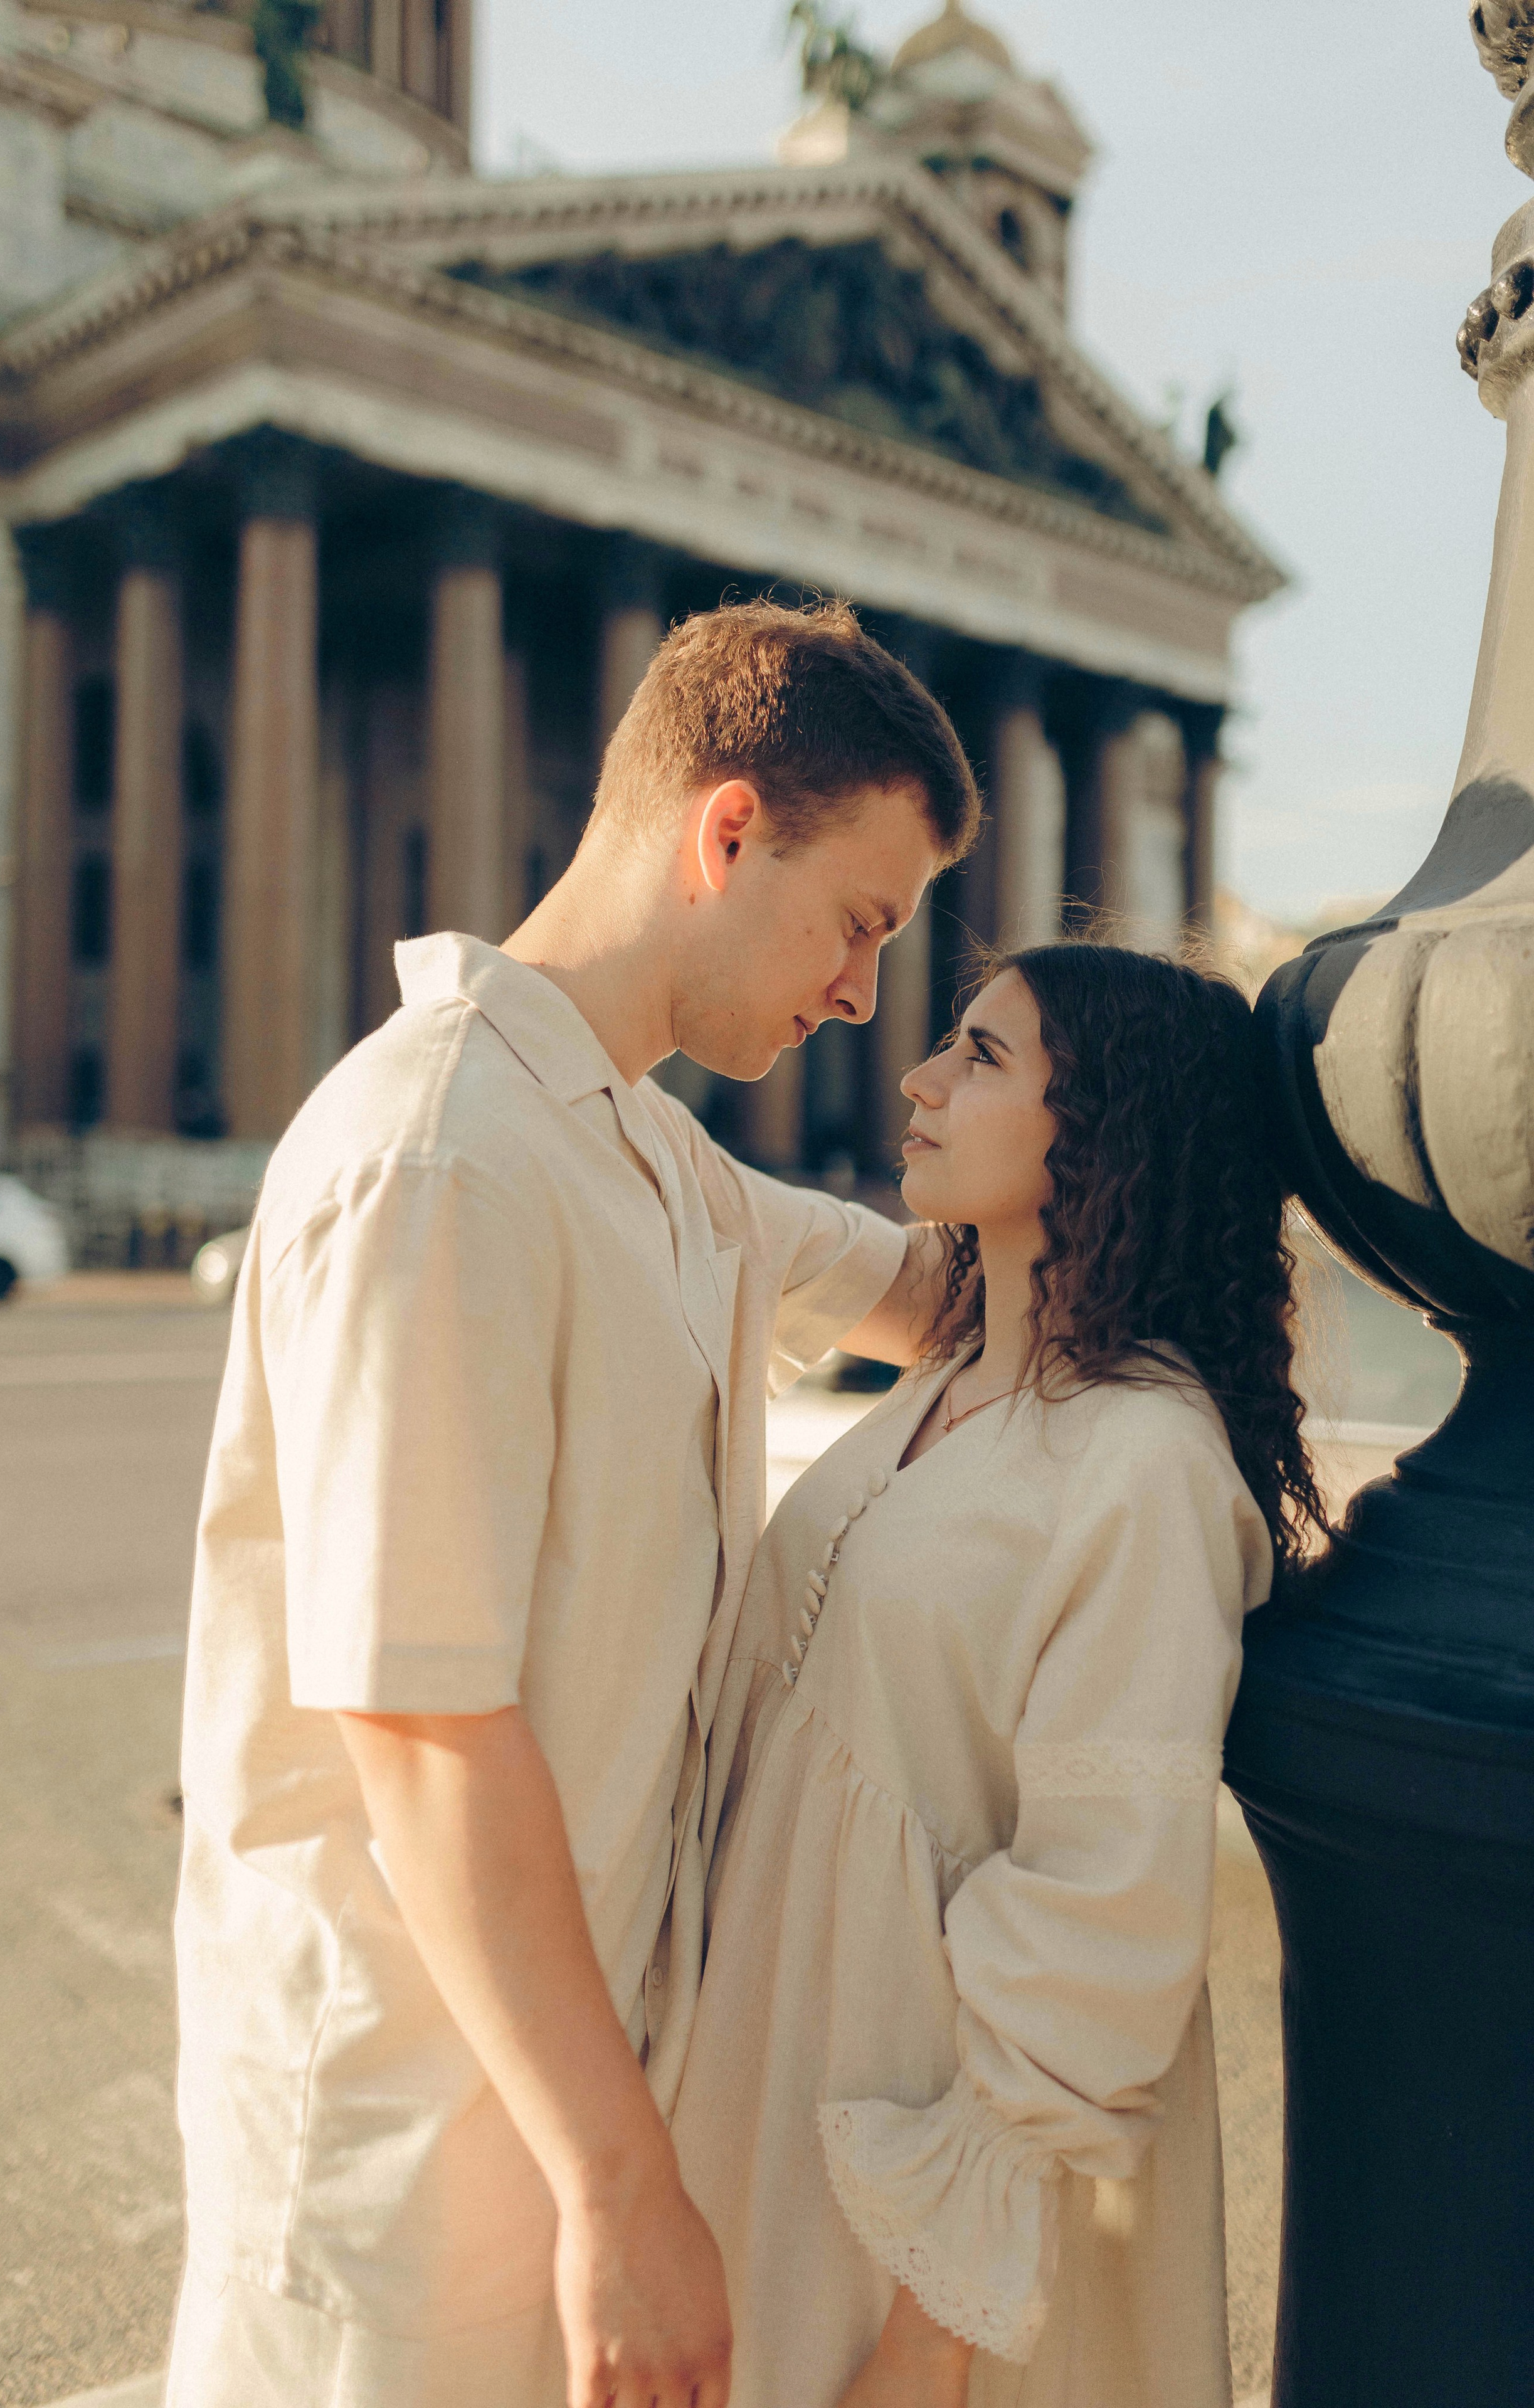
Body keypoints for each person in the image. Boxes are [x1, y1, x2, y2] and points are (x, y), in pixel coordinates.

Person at [165, 598, 981, 2408]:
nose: (864, 993)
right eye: (861, 922)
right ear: (726, 829)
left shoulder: (652, 1158)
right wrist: (624, 2188)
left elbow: (939, 1292)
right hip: (400, 2136)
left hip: (559, 2095)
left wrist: (1177, 1232)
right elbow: (421, 1719)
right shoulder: (440, 1153)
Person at [672, 944, 1325, 2408]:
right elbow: (717, 1215)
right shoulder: (950, 1375)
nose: (915, 1077)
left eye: (978, 1056)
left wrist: (928, 2333)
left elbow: (1105, 1910)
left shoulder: (1143, 1462)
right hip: (771, 2080)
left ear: (1100, 1124)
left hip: (929, 2206)